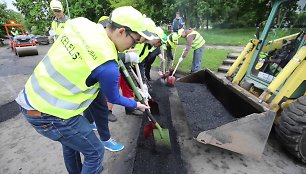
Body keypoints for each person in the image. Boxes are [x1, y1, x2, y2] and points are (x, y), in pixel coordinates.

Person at [15, 6, 150, 174]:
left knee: (70, 144)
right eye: (134, 41)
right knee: (95, 152)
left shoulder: (80, 24)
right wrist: (136, 103)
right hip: (51, 114)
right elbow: (114, 97)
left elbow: (90, 51)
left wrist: (121, 57)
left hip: (30, 98)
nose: (132, 46)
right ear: (121, 31)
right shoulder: (108, 66)